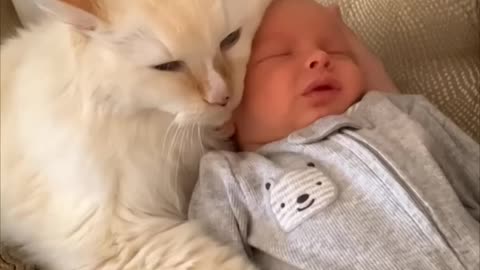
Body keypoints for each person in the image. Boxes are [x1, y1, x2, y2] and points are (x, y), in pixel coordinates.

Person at [188, 0, 480, 269]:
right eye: (279, 55)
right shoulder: (232, 179)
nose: (320, 57)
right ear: (224, 112)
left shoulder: (398, 114)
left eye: (335, 49)